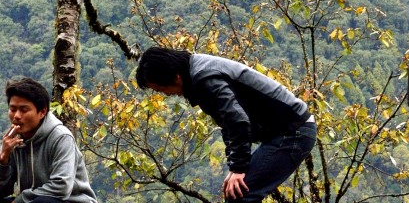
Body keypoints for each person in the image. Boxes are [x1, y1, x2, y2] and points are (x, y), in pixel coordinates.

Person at [135, 47, 316, 202]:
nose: (166, 95)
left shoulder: (204, 78)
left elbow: (237, 120)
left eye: (161, 89)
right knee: (235, 194)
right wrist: (235, 167)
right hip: (285, 132)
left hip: (294, 132)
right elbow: (227, 125)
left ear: (175, 77)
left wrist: (238, 168)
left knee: (241, 195)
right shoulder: (197, 72)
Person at [0, 78, 98, 203]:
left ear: (42, 112)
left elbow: (61, 187)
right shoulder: (13, 140)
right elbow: (3, 190)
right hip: (34, 199)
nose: (17, 116)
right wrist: (3, 159)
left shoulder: (61, 137)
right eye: (13, 109)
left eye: (24, 110)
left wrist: (20, 200)